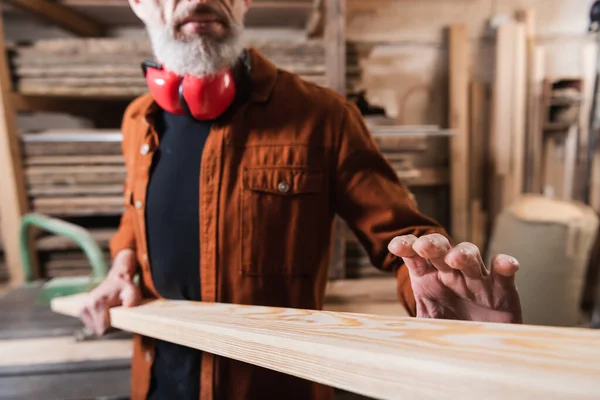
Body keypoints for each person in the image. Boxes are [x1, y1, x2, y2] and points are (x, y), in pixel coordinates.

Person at [80, 1, 523, 399]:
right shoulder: (139, 119)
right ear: (138, 3)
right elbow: (136, 213)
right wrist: (123, 264)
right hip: (159, 382)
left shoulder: (323, 116)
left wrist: (442, 293)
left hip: (276, 388)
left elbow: (403, 236)